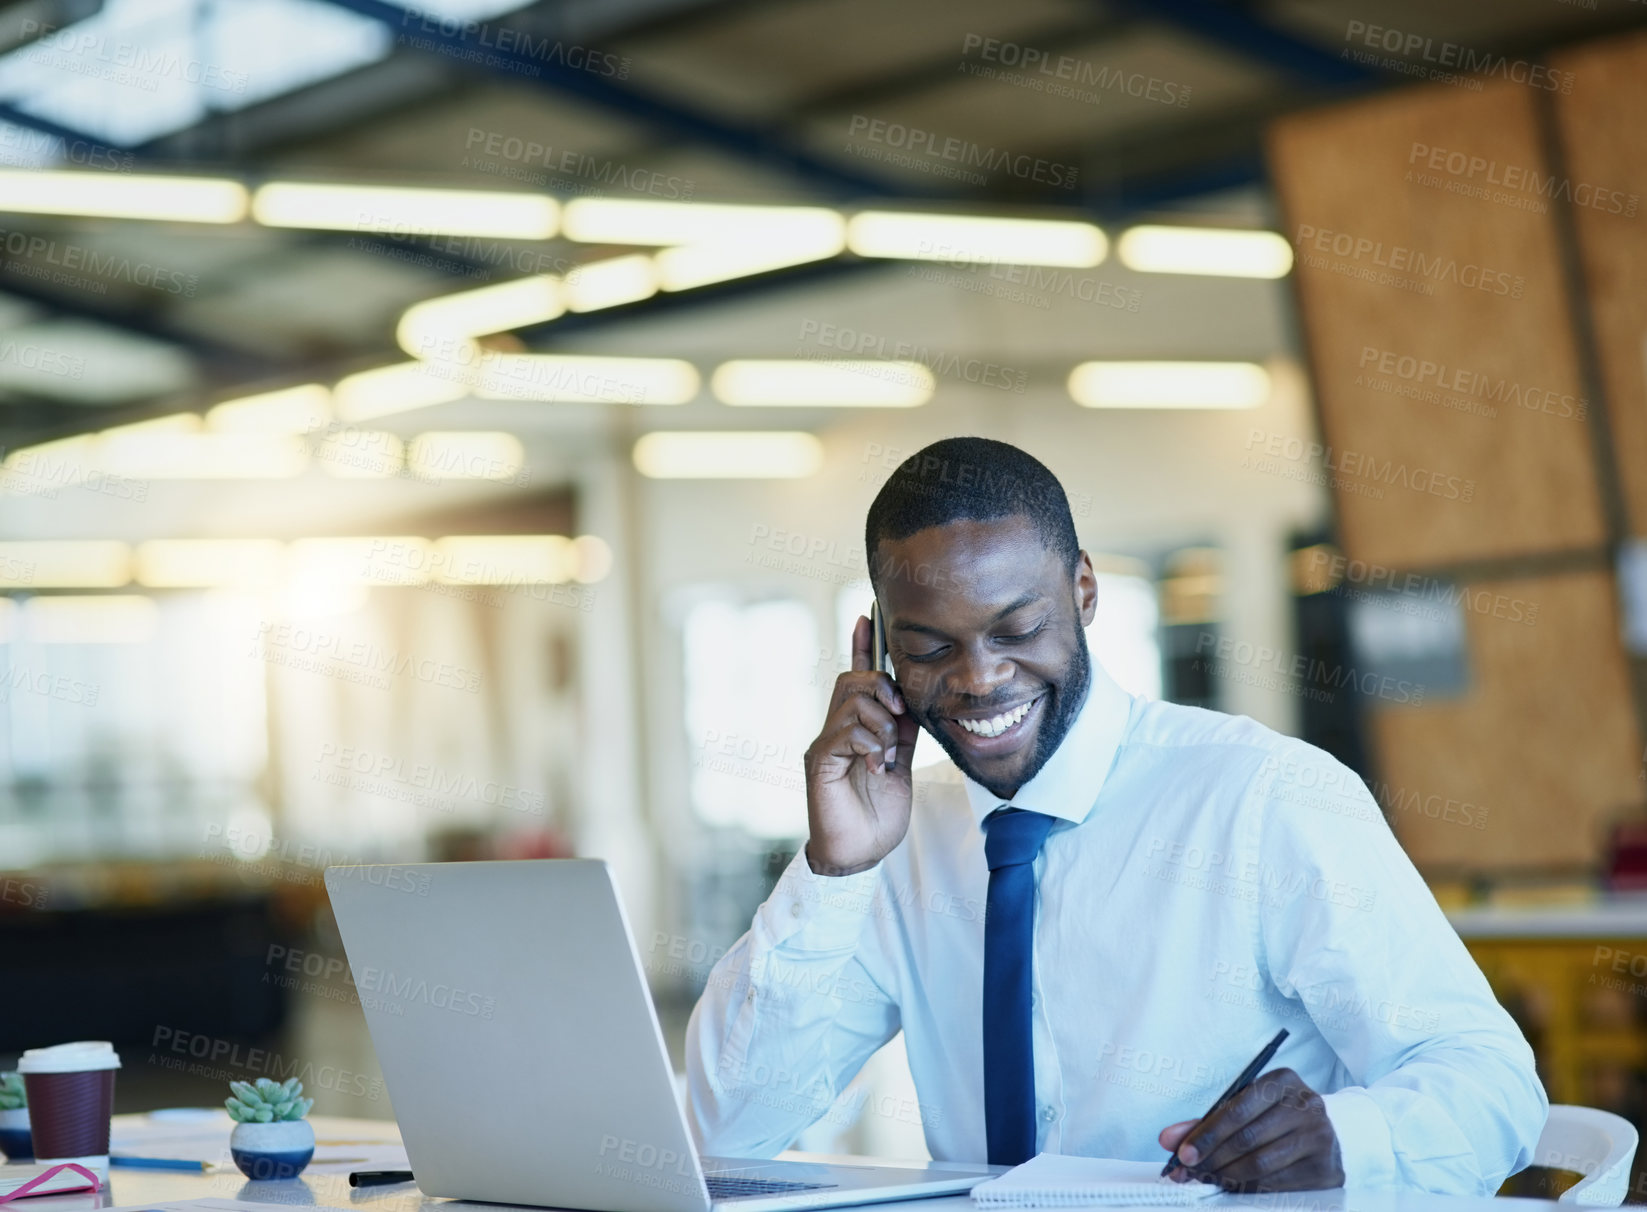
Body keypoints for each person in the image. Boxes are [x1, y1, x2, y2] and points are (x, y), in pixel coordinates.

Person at [685, 436, 1546, 1193]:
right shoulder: (897, 840)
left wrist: (1347, 1137)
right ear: (874, 649)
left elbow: (1490, 1083)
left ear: (1085, 591)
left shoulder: (1265, 796)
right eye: (927, 648)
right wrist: (835, 874)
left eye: (1017, 628)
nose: (981, 677)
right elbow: (727, 1131)